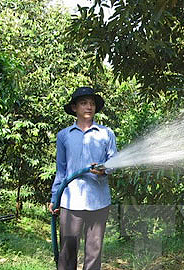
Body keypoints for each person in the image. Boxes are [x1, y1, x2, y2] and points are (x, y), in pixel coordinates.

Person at [49, 86, 117, 270]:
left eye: (92, 103)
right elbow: (61, 170)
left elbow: (114, 161)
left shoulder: (106, 133)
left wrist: (104, 169)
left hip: (98, 200)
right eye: (84, 103)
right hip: (71, 201)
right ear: (74, 108)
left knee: (94, 253)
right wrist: (55, 198)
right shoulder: (64, 136)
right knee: (67, 253)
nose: (89, 107)